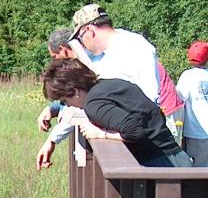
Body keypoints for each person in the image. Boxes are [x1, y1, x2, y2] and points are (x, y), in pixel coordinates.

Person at [40, 58, 191, 169]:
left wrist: (102, 134)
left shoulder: (93, 105)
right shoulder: (107, 84)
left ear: (75, 92)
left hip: (162, 166)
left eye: (65, 101)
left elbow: (134, 131)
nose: (68, 105)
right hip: (177, 158)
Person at [68, 4, 185, 142]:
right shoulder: (107, 51)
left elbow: (148, 99)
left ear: (90, 31)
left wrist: (107, 132)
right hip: (132, 133)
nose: (83, 44)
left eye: (81, 38)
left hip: (148, 138)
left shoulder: (134, 47)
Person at [35, 28, 89, 170]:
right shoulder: (82, 61)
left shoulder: (87, 63)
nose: (54, 61)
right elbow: (75, 99)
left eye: (54, 56)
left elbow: (79, 107)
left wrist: (52, 140)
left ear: (63, 49)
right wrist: (53, 108)